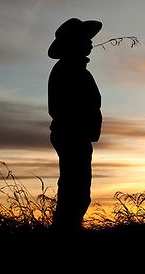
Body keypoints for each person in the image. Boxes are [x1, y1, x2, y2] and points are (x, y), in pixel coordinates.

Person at [47, 18, 103, 231]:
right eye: (85, 39)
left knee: (76, 189)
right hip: (72, 135)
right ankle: (66, 232)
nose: (90, 43)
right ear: (74, 43)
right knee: (75, 191)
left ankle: (68, 229)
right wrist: (82, 129)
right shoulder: (68, 70)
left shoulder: (73, 68)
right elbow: (66, 108)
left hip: (74, 135)